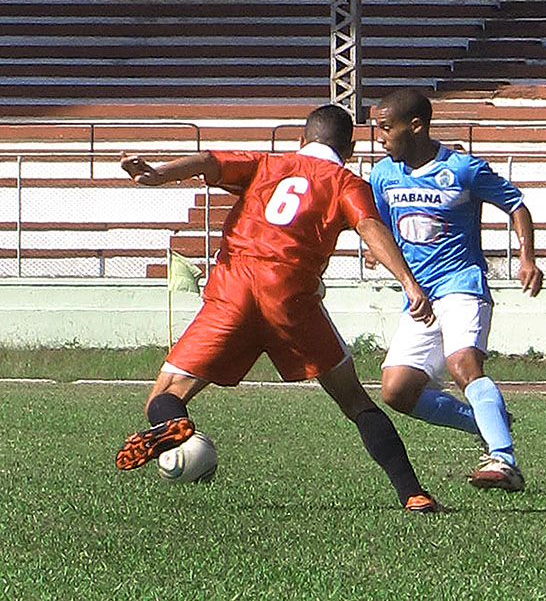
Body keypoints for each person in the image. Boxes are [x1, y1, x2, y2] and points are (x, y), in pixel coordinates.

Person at [114, 104, 442, 513]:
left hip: (233, 289)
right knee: (356, 403)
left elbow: (209, 161)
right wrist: (409, 283)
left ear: (301, 140)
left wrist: (159, 173)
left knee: (162, 397)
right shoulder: (345, 182)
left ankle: (173, 426)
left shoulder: (268, 163)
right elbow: (369, 227)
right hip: (291, 298)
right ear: (350, 149)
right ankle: (413, 493)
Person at [366, 88, 543, 491]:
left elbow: (516, 205)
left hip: (462, 285)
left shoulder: (463, 169)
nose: (381, 138)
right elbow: (377, 223)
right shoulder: (382, 174)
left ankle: (503, 460)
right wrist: (379, 253)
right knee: (396, 390)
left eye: (385, 129)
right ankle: (487, 422)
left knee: (464, 364)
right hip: (419, 296)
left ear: (416, 126)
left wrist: (527, 257)